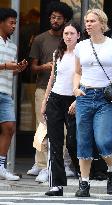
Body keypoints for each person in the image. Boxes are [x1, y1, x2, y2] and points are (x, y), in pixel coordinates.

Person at [73, 9, 112, 197]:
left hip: (104, 99)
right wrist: (75, 89)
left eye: (92, 21)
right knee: (83, 142)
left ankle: (111, 171)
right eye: (86, 21)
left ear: (102, 24)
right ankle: (84, 183)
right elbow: (77, 72)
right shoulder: (81, 46)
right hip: (84, 96)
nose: (87, 24)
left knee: (103, 140)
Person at [28, 1, 73, 183]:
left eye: (59, 18)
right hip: (42, 88)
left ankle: (59, 164)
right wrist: (45, 67)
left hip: (64, 90)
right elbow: (33, 68)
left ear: (65, 20)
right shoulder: (40, 39)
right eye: (53, 17)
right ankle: (40, 164)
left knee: (62, 130)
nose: (55, 20)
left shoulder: (68, 39)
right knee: (42, 127)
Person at [41, 21, 81, 196]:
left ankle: (83, 177)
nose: (68, 36)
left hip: (74, 100)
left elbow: (86, 80)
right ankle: (56, 185)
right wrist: (45, 101)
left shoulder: (83, 54)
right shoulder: (58, 53)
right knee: (54, 142)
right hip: (55, 100)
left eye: (72, 33)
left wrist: (78, 100)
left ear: (79, 35)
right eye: (66, 33)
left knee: (73, 142)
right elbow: (52, 79)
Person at [0, 8, 28, 180]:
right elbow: (4, 67)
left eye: (15, 23)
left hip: (6, 92)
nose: (14, 26)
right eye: (11, 22)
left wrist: (17, 69)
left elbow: (9, 71)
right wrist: (5, 66)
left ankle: (0, 167)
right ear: (1, 22)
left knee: (9, 128)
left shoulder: (12, 46)